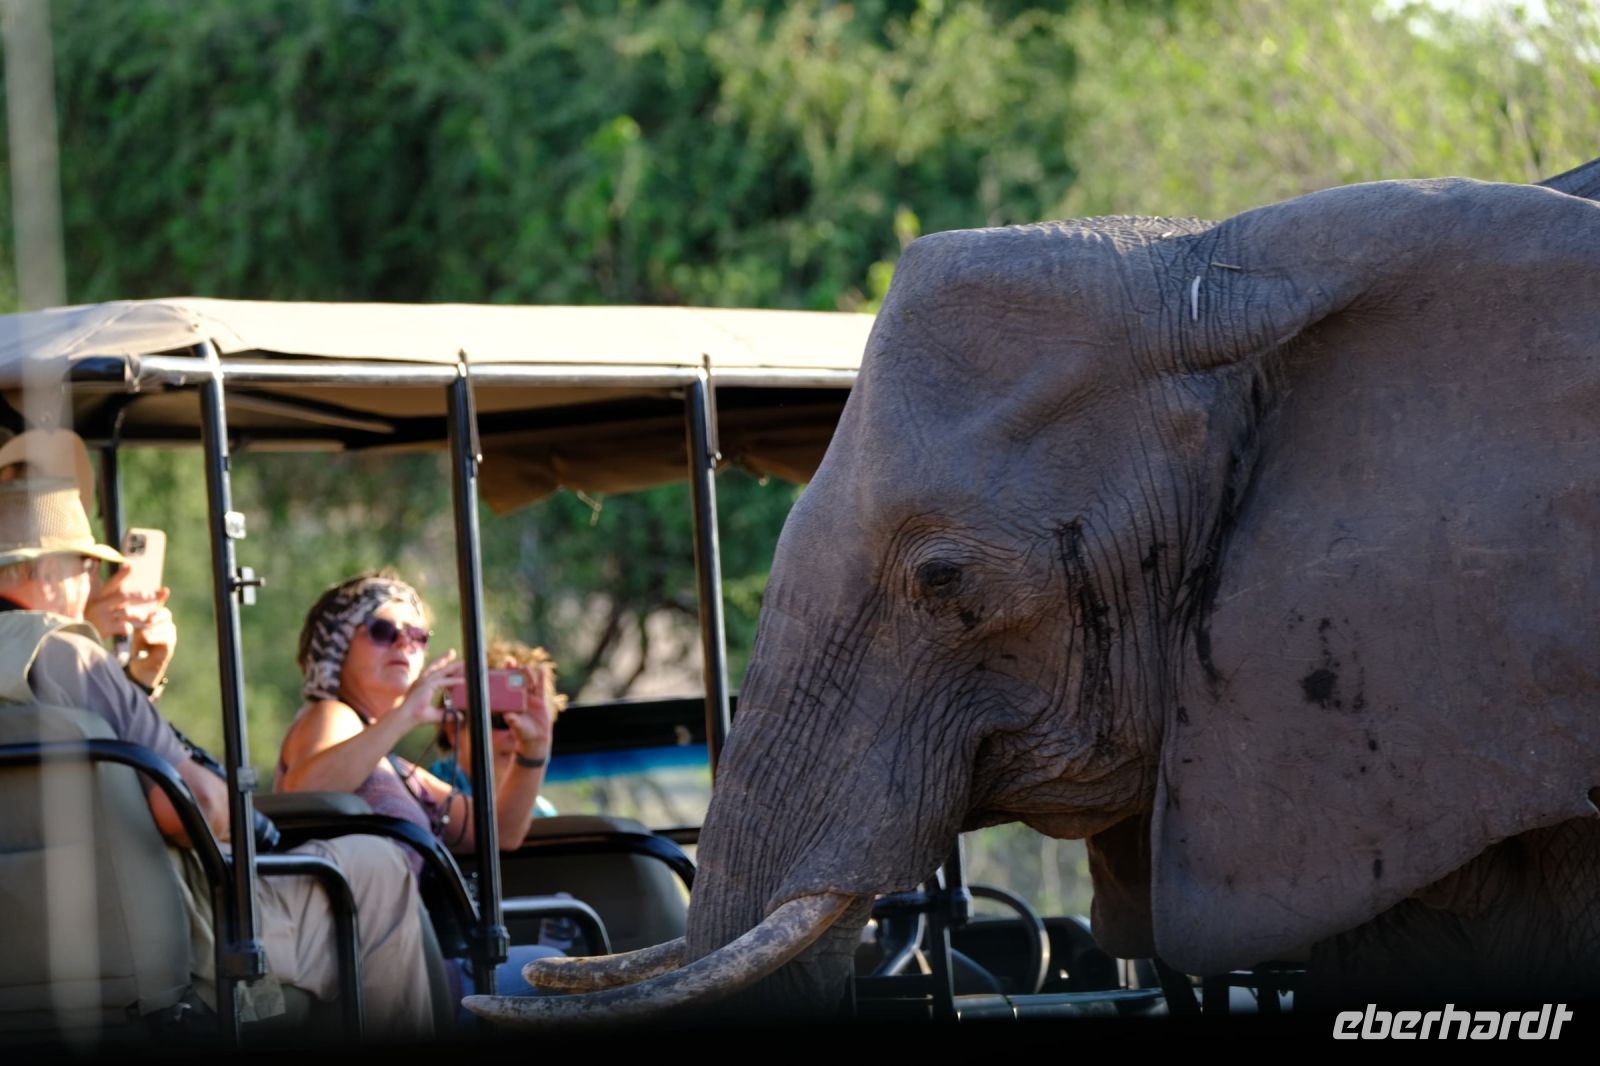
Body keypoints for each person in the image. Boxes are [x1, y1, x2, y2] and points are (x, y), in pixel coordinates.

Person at [0, 479, 435, 1038]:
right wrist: (230, 806)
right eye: (82, 564)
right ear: (40, 571)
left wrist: (134, 682)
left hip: (38, 950)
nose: (90, 581)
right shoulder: (66, 652)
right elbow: (193, 809)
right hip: (186, 938)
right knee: (377, 865)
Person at [275, 570, 561, 1003]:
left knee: (559, 968)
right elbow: (307, 793)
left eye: (417, 635)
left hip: (408, 958)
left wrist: (533, 750)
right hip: (356, 960)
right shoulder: (330, 715)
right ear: (335, 645)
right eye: (383, 631)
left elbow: (501, 831)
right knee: (558, 977)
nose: (405, 644)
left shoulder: (393, 764)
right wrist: (406, 715)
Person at [0, 428, 173, 697]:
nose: (95, 582)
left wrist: (139, 677)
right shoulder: (71, 657)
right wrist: (77, 641)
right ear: (48, 575)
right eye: (88, 566)